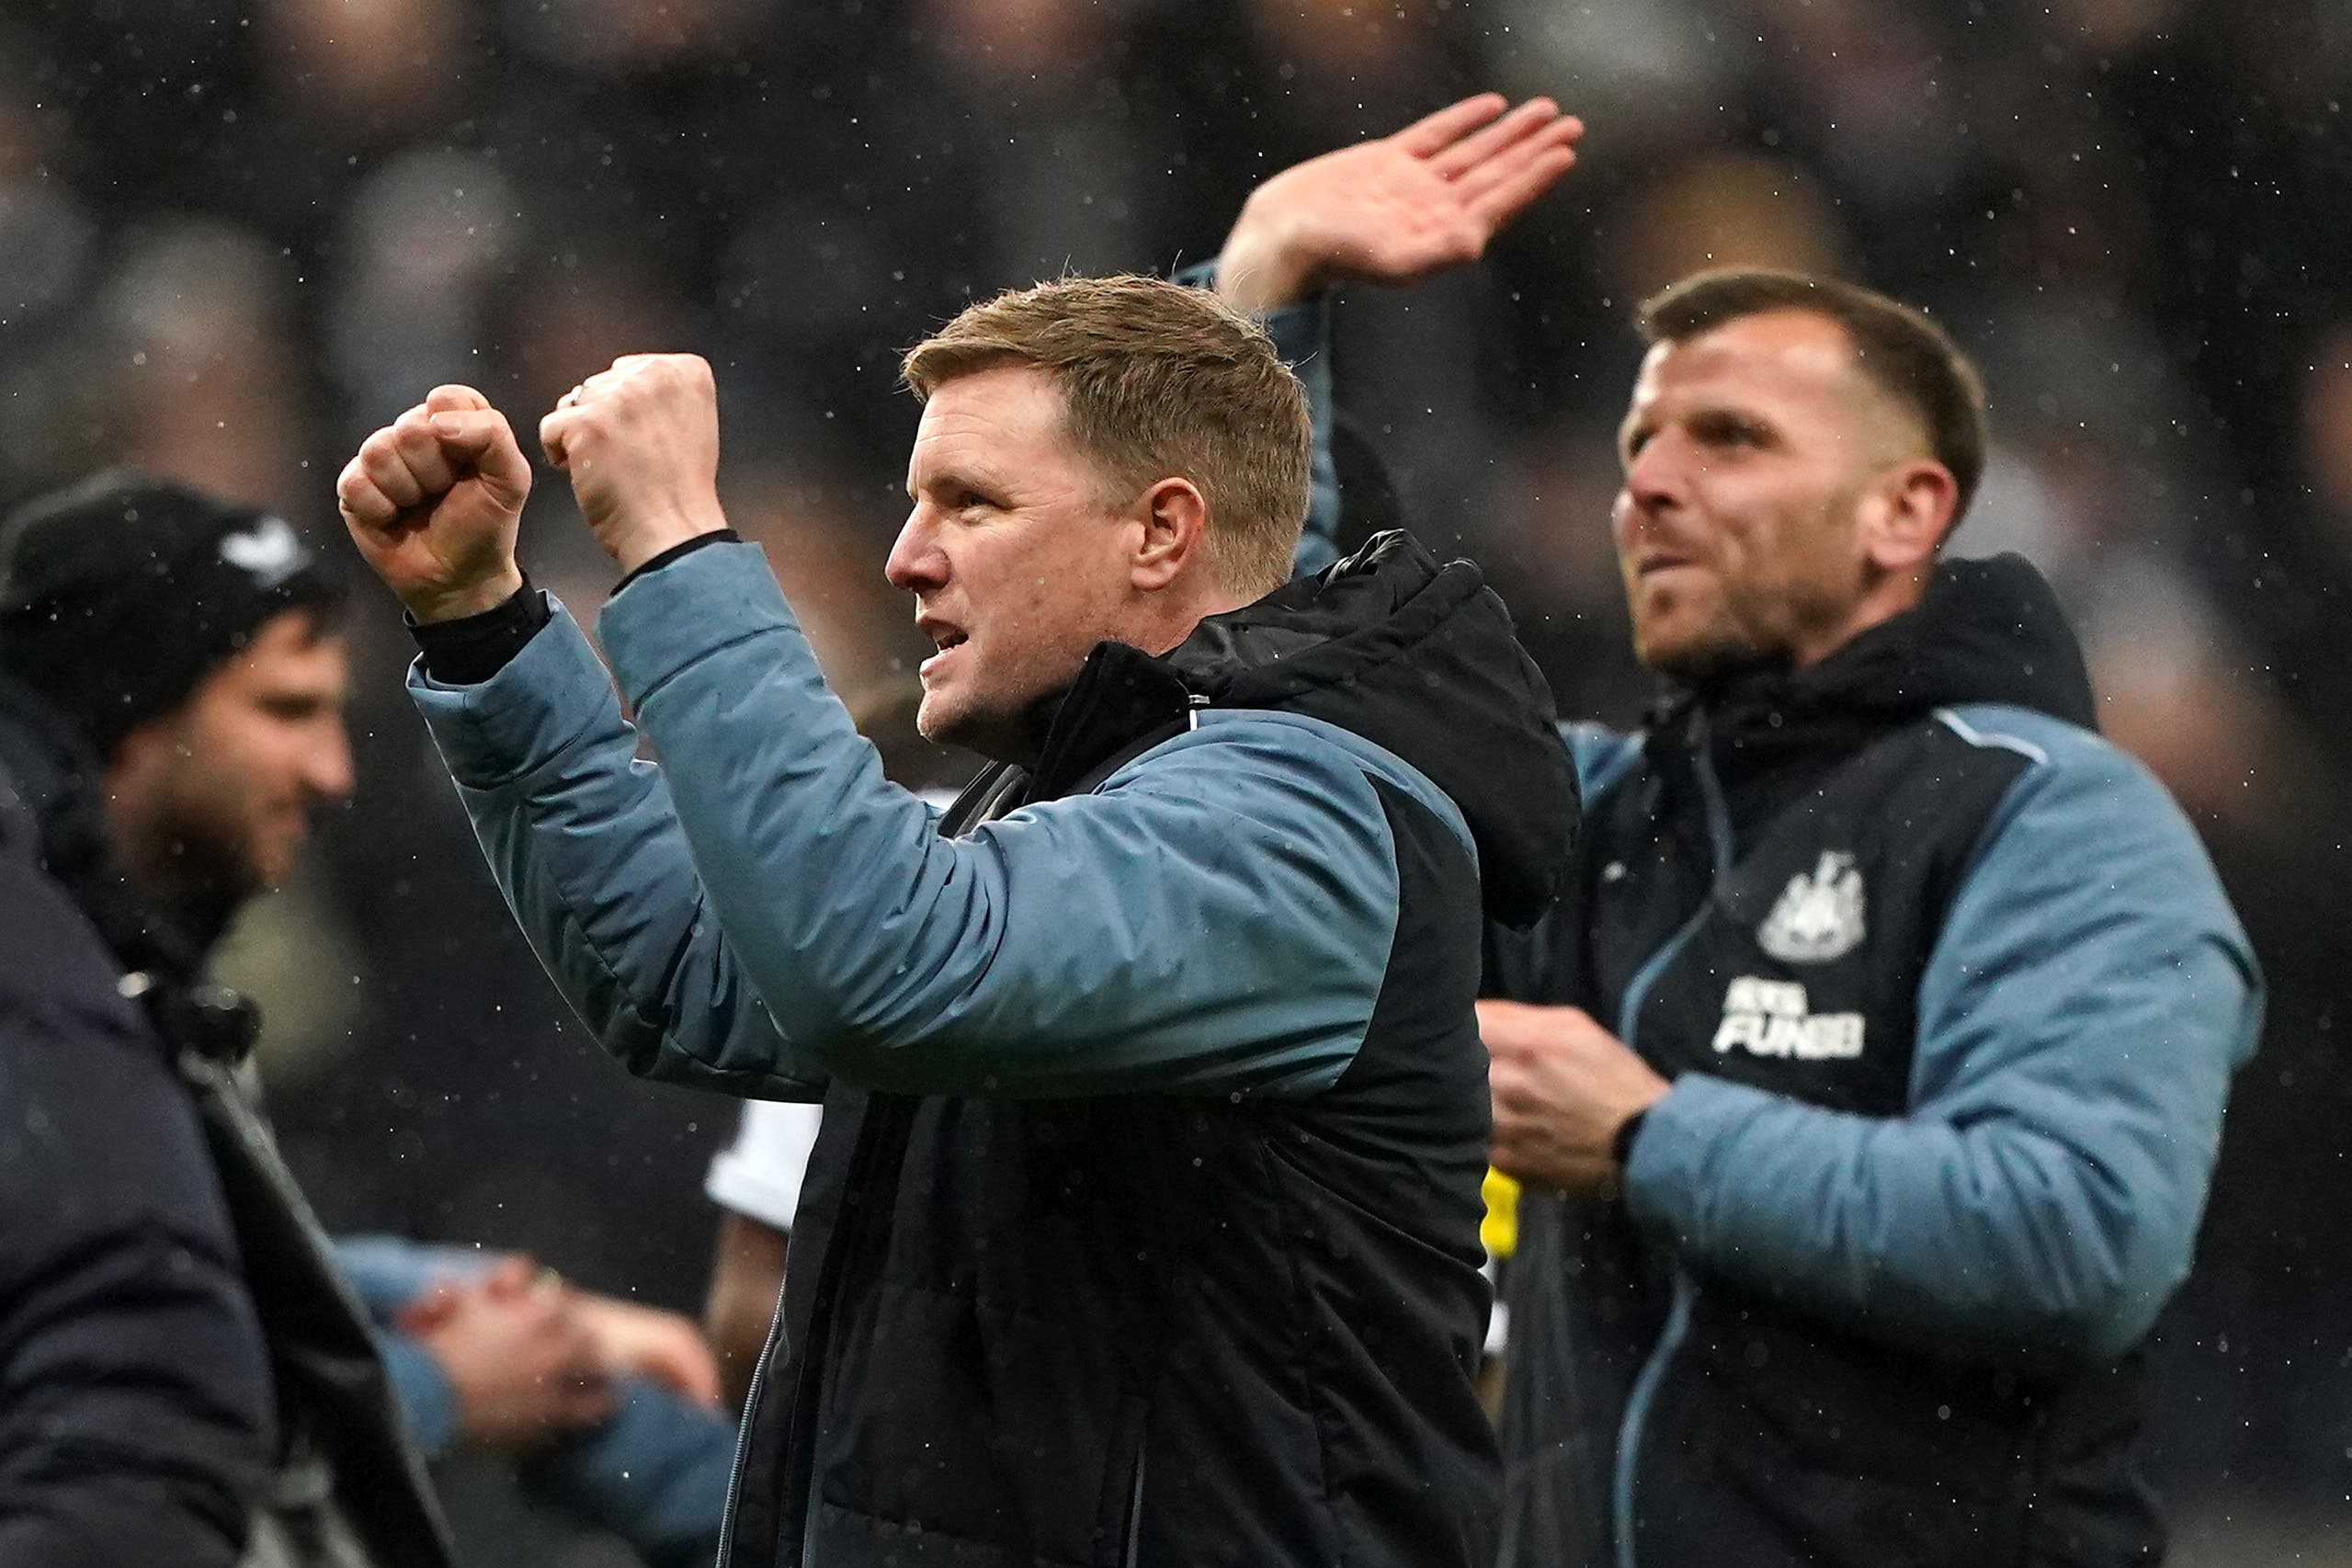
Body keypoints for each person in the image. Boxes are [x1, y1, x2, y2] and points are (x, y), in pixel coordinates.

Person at [335, 94, 1585, 1568]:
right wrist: (489, 633)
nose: (903, 555)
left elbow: (879, 962)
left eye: (967, 502)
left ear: (1159, 535)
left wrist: (680, 547)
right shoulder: (1081, 787)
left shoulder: (1303, 817)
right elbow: (687, 977)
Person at [1273, 250, 2261, 1559]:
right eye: (1637, 446)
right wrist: (1267, 296)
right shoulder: (1602, 813)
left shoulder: (2053, 815)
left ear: (1903, 512)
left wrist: (1645, 1138)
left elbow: (2073, 1230)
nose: (1649, 486)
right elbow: (1294, 714)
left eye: (1728, 437)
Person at [0, 471, 735, 1568]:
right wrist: (441, 1387)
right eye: (284, 710)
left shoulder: (116, 983)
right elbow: (117, 1380)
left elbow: (135, 1258)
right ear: (126, 721)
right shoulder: (41, 995)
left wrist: (440, 1302)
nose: (331, 771)